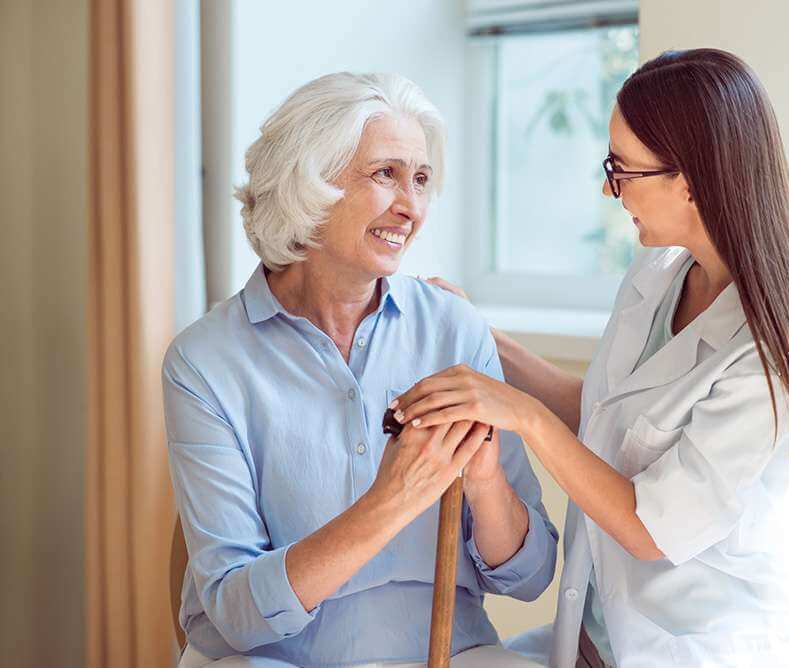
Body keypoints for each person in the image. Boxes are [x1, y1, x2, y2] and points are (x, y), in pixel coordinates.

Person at [392, 49, 789, 667]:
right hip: (596, 638)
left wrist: (521, 414)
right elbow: (606, 414)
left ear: (689, 180)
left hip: (697, 650)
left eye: (622, 169)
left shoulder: (765, 357)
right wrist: (485, 338)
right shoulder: (658, 273)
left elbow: (649, 529)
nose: (609, 187)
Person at [163, 72, 557, 668]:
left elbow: (530, 577)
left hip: (448, 653)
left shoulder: (454, 329)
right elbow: (237, 615)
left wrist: (484, 481)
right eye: (385, 174)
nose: (412, 206)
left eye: (421, 179)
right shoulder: (205, 361)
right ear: (307, 184)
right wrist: (394, 499)